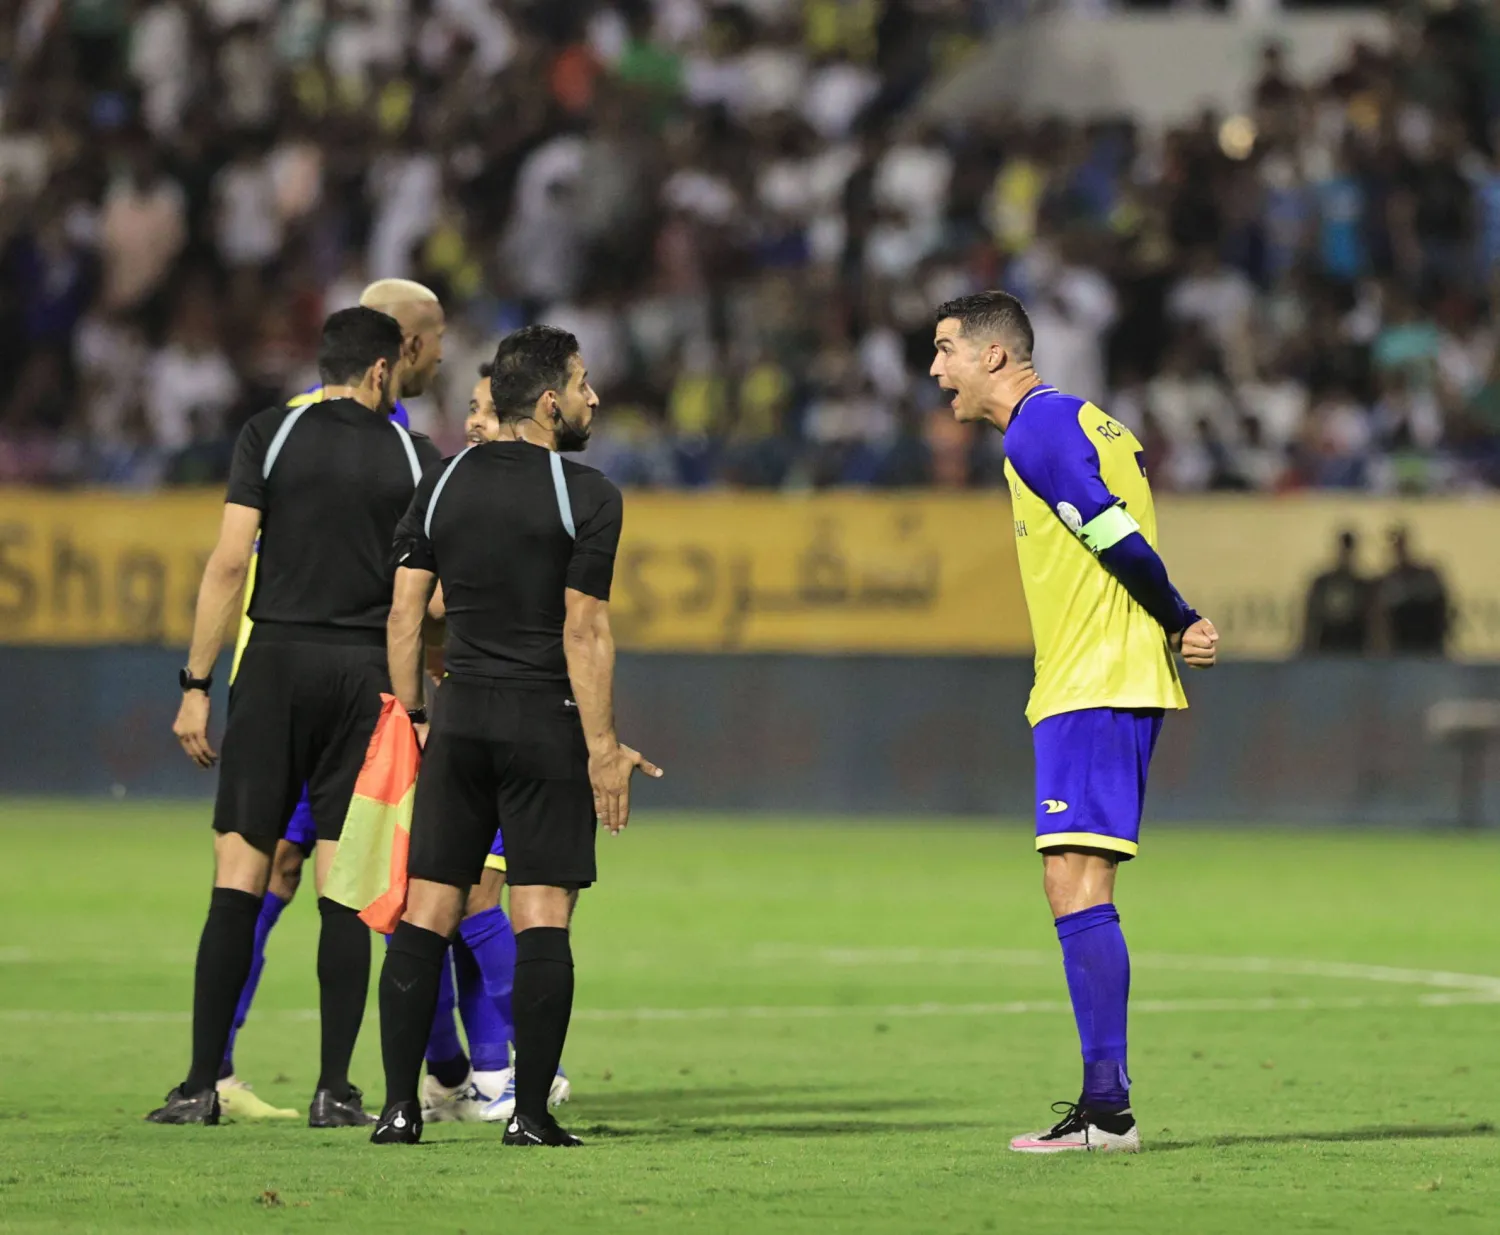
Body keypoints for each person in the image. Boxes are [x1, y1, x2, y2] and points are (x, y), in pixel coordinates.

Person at [929, 291, 1218, 1153]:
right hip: (1092, 676)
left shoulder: (1037, 429)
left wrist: (1177, 613)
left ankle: (1107, 1110)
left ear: (993, 356)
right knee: (1073, 882)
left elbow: (1112, 531)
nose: (935, 368)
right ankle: (1104, 1104)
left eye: (945, 349)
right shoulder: (1084, 421)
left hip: (1096, 677)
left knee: (1077, 884)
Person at [148, 307, 442, 1127]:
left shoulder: (269, 434)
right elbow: (426, 594)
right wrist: (418, 701)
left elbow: (229, 562)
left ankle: (200, 1084)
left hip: (272, 664)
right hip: (364, 674)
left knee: (237, 877)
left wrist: (196, 682)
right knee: (342, 889)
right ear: (384, 372)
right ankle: (333, 1089)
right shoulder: (413, 453)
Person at [371, 325, 661, 1147]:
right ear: (546, 403)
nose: (591, 396)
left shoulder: (442, 481)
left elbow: (404, 614)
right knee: (541, 917)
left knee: (425, 912)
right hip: (544, 722)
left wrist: (415, 716)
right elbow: (586, 629)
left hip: (458, 716)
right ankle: (529, 1114)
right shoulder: (589, 495)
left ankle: (398, 1109)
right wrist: (603, 747)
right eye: (581, 382)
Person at [1372, 525, 1451, 656]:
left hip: (1427, 648)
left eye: (1401, 545)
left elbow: (1441, 611)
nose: (1398, 551)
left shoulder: (1427, 576)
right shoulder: (1386, 581)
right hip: (1398, 651)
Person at [1302, 530, 1374, 655]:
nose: (1345, 555)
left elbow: (1372, 622)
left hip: (1354, 649)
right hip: (1326, 648)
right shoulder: (1322, 583)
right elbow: (1312, 618)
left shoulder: (1362, 586)